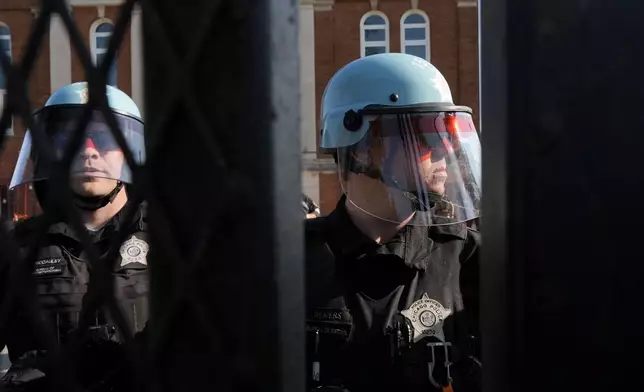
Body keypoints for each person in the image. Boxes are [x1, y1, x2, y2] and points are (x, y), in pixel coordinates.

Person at [305, 53, 482, 392]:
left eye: (447, 136)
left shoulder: (469, 260)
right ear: (360, 150)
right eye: (426, 136)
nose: (445, 150)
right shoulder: (291, 263)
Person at [0, 82, 147, 392]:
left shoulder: (169, 242)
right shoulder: (18, 250)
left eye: (104, 139)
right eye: (72, 140)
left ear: (128, 150)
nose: (89, 151)